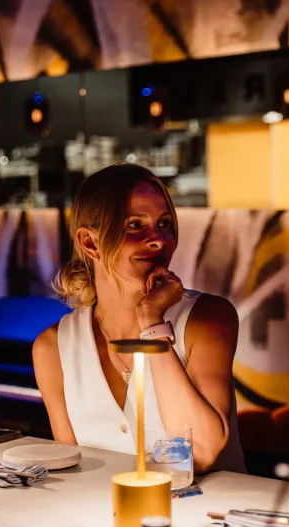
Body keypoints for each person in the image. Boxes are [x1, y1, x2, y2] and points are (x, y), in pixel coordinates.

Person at [33, 163, 246, 473]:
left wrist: (152, 322)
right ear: (90, 243)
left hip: (209, 518)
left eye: (164, 223)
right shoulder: (52, 348)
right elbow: (71, 473)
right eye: (135, 225)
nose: (158, 239)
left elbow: (200, 452)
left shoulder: (208, 318)